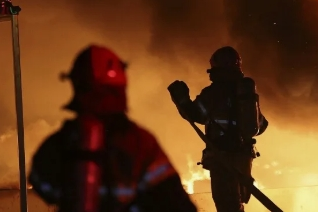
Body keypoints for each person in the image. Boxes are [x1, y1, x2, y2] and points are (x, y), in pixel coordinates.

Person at [28, 45, 197, 212]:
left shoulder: (60, 142)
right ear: (120, 87)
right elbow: (177, 202)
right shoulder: (141, 143)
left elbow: (41, 185)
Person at [168, 46, 269, 212]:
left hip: (221, 157)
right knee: (236, 203)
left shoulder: (213, 92)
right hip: (243, 158)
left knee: (226, 204)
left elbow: (196, 115)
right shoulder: (246, 93)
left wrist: (182, 99)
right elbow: (261, 126)